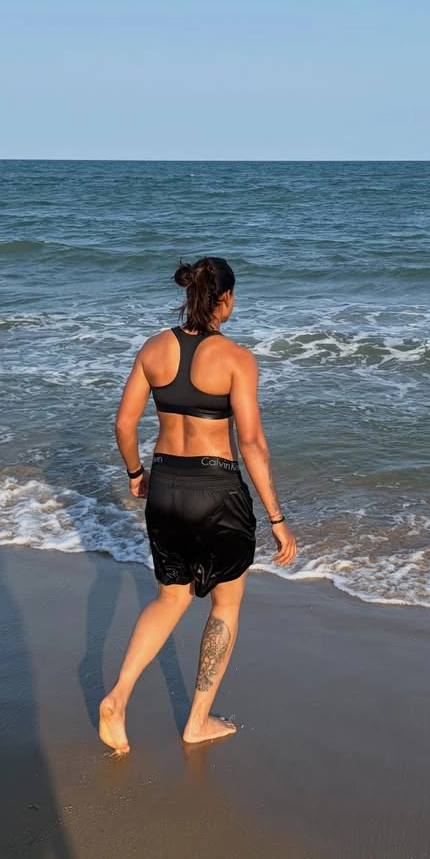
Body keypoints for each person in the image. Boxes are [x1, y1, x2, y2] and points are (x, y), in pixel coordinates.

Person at [99, 256, 297, 752]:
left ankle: (118, 697)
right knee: (225, 605)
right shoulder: (236, 358)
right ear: (225, 299)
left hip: (166, 485)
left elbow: (123, 424)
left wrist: (136, 474)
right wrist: (276, 518)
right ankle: (197, 722)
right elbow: (251, 443)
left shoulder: (154, 348)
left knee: (170, 599)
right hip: (217, 490)